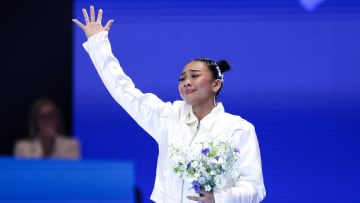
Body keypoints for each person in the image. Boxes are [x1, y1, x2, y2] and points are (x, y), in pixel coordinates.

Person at [72, 5, 265, 203]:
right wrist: (98, 44)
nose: (186, 82)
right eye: (182, 78)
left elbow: (254, 187)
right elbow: (124, 91)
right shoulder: (169, 117)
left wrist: (220, 198)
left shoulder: (238, 129)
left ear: (216, 84)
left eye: (195, 76)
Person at [14, 97, 81, 159]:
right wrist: (46, 147)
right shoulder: (22, 147)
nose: (47, 121)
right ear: (35, 121)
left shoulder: (72, 145)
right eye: (43, 117)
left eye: (50, 116)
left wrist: (51, 142)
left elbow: (69, 170)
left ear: (57, 118)